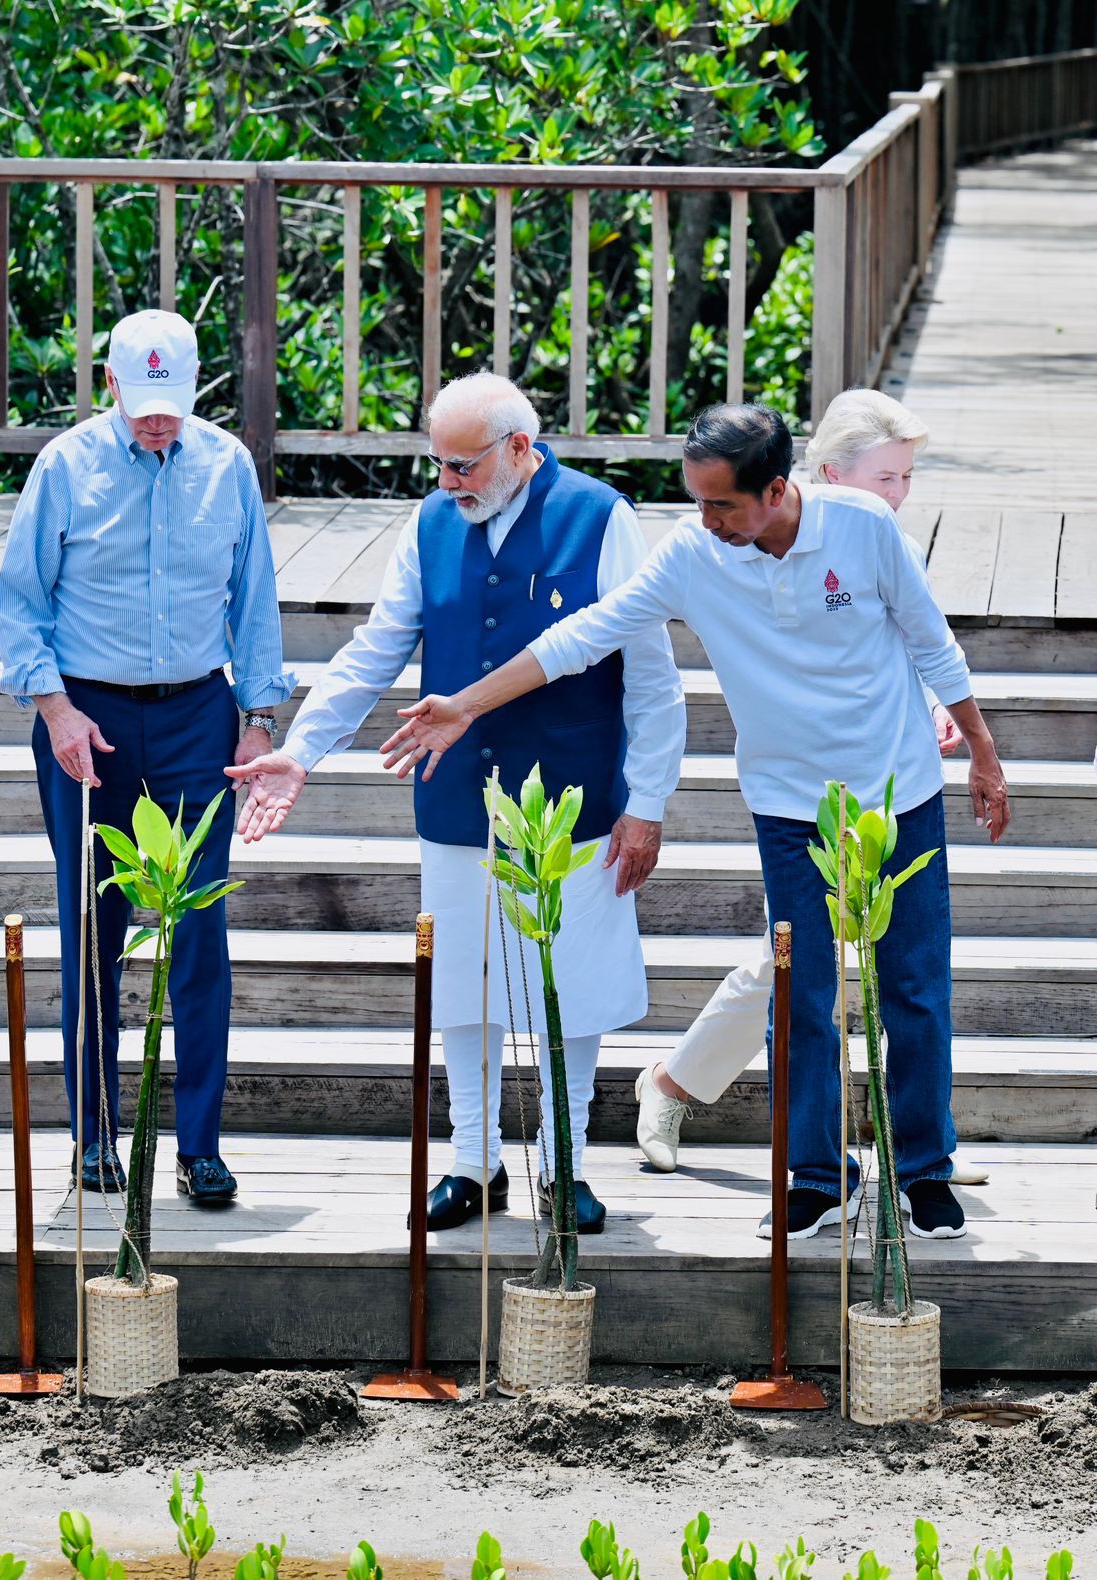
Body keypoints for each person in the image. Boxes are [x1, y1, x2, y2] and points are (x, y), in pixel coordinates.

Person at [385, 402, 1011, 1241]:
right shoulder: (693, 554)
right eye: (696, 501)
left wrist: (981, 751)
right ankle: (819, 1176)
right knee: (802, 994)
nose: (703, 520)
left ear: (778, 490)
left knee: (913, 987)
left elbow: (934, 644)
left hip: (897, 792)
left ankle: (924, 1169)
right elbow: (580, 637)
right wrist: (461, 705)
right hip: (788, 806)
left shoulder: (862, 528)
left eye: (720, 505)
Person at [229, 372, 684, 1231]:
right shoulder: (431, 522)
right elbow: (376, 647)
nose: (447, 483)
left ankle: (565, 1164)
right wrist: (300, 751)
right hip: (456, 801)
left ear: (520, 447)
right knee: (464, 988)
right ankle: (474, 1162)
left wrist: (649, 799)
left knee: (571, 987)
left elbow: (652, 678)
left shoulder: (600, 517)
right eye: (437, 464)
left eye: (463, 466)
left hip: (576, 799)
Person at [634, 389, 986, 1189]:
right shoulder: (770, 536)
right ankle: (680, 1088)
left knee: (863, 976)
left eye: (906, 478)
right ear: (822, 474)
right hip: (798, 793)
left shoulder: (870, 532)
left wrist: (941, 716)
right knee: (790, 977)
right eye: (886, 476)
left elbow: (909, 638)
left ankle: (916, 1153)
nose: (899, 494)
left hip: (883, 783)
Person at [0, 308, 294, 1205]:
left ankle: (199, 1142)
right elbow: (18, 601)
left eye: (174, 403)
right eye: (141, 402)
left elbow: (256, 599)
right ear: (111, 384)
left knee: (200, 931)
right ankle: (93, 1135)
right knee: (95, 927)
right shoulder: (66, 466)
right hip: (89, 720)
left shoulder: (226, 465)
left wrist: (260, 719)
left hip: (200, 715)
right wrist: (53, 707)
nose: (157, 421)